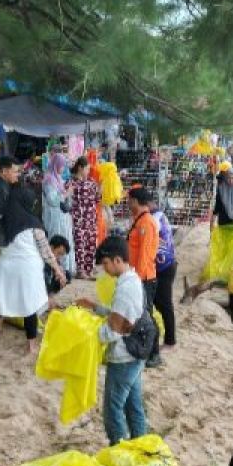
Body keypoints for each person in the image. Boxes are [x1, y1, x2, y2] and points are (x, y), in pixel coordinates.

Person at [74, 237, 147, 444]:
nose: (104, 269)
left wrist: (86, 333)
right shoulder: (131, 280)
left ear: (117, 260)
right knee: (133, 405)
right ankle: (140, 446)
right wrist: (95, 307)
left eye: (105, 263)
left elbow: (113, 330)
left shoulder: (125, 288)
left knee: (112, 409)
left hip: (124, 358)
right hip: (135, 354)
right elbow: (121, 315)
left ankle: (118, 449)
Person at [0, 186, 66, 354]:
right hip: (28, 269)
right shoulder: (35, 224)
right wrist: (57, 269)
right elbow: (46, 251)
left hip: (6, 266)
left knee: (2, 297)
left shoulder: (2, 220)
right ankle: (31, 345)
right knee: (30, 306)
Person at [126, 187, 163, 368]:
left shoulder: (146, 223)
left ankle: (154, 353)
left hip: (144, 278)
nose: (127, 203)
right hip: (138, 276)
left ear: (135, 201)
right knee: (142, 315)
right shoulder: (139, 220)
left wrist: (137, 280)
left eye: (129, 200)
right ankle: (147, 350)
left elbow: (145, 254)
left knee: (146, 316)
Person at [67, 156, 102, 278]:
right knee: (79, 244)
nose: (88, 171)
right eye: (86, 169)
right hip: (78, 218)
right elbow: (67, 199)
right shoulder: (71, 182)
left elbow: (98, 199)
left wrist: (100, 190)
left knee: (91, 243)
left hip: (91, 218)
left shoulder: (92, 182)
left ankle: (90, 269)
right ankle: (80, 270)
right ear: (80, 168)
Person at [42, 152, 75, 278]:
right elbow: (52, 199)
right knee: (56, 241)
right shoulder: (49, 180)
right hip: (54, 217)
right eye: (61, 166)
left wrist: (67, 195)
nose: (63, 169)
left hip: (62, 217)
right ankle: (54, 269)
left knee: (64, 241)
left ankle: (64, 270)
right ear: (56, 165)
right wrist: (66, 194)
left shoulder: (58, 179)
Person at [152, 200, 178, 350]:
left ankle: (170, 341)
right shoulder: (160, 216)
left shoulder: (154, 219)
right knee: (161, 303)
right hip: (167, 263)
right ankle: (169, 339)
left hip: (164, 266)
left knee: (165, 305)